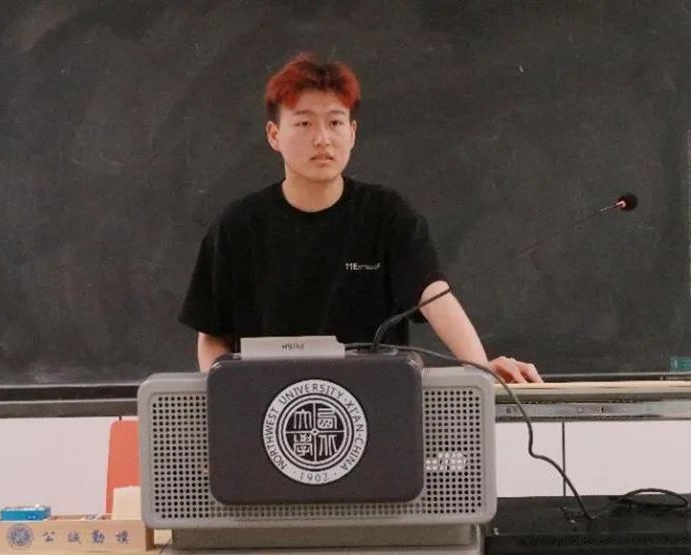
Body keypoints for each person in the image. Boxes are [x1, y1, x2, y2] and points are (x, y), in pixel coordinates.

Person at [179, 52, 541, 383]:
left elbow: (433, 294)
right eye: (304, 124)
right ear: (274, 135)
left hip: (375, 404)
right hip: (266, 411)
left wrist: (480, 369)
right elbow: (212, 334)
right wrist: (225, 394)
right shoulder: (238, 226)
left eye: (335, 123)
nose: (322, 139)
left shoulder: (386, 215)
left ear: (352, 133)